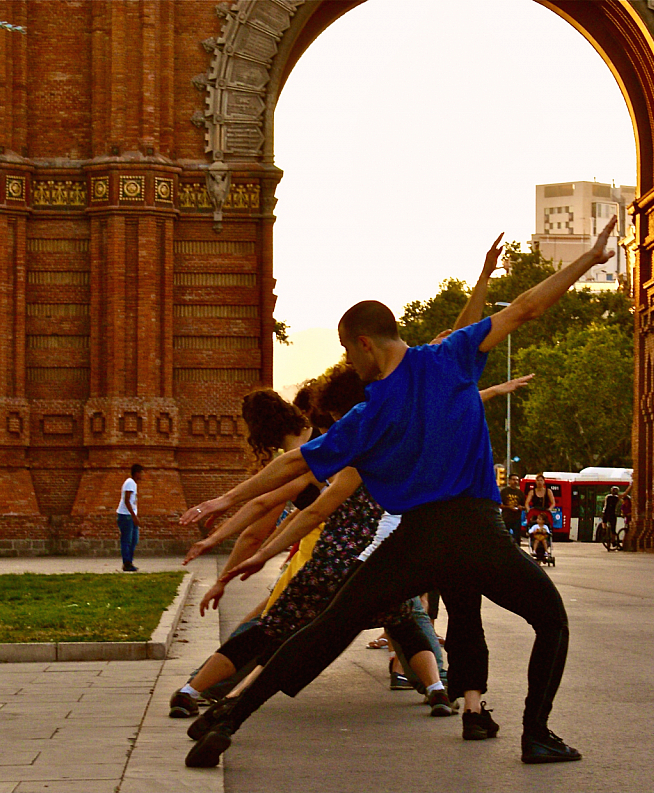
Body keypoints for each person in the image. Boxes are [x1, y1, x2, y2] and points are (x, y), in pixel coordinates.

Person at [180, 217, 619, 769]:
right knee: (550, 619)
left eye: (348, 351)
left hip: (419, 539)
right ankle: (537, 734)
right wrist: (588, 260)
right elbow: (527, 307)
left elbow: (294, 461)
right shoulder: (452, 357)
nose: (350, 363)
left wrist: (224, 499)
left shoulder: (369, 414)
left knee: (329, 627)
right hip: (477, 531)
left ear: (364, 343)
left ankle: (227, 721)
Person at [117, 465, 143, 572]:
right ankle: (127, 563)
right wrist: (134, 516)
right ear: (136, 473)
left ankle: (129, 562)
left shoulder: (133, 484)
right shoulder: (130, 483)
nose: (142, 475)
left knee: (134, 539)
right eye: (141, 473)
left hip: (130, 515)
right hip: (126, 515)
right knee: (127, 540)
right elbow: (127, 500)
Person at [499, 473, 525, 545]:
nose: (515, 481)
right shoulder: (504, 492)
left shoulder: (520, 493)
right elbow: (499, 505)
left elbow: (525, 506)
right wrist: (509, 507)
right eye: (513, 479)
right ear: (509, 481)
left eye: (517, 480)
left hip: (516, 518)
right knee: (504, 536)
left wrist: (521, 507)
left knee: (516, 537)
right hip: (506, 517)